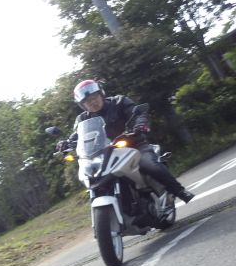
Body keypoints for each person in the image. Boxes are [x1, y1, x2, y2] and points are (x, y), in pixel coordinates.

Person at [64, 79, 194, 203]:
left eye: (94, 97)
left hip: (134, 145)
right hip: (105, 155)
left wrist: (140, 125)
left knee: (149, 164)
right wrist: (66, 143)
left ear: (101, 94)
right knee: (93, 177)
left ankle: (179, 191)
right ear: (82, 105)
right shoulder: (82, 119)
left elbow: (138, 114)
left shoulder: (119, 102)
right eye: (87, 101)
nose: (92, 102)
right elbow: (77, 135)